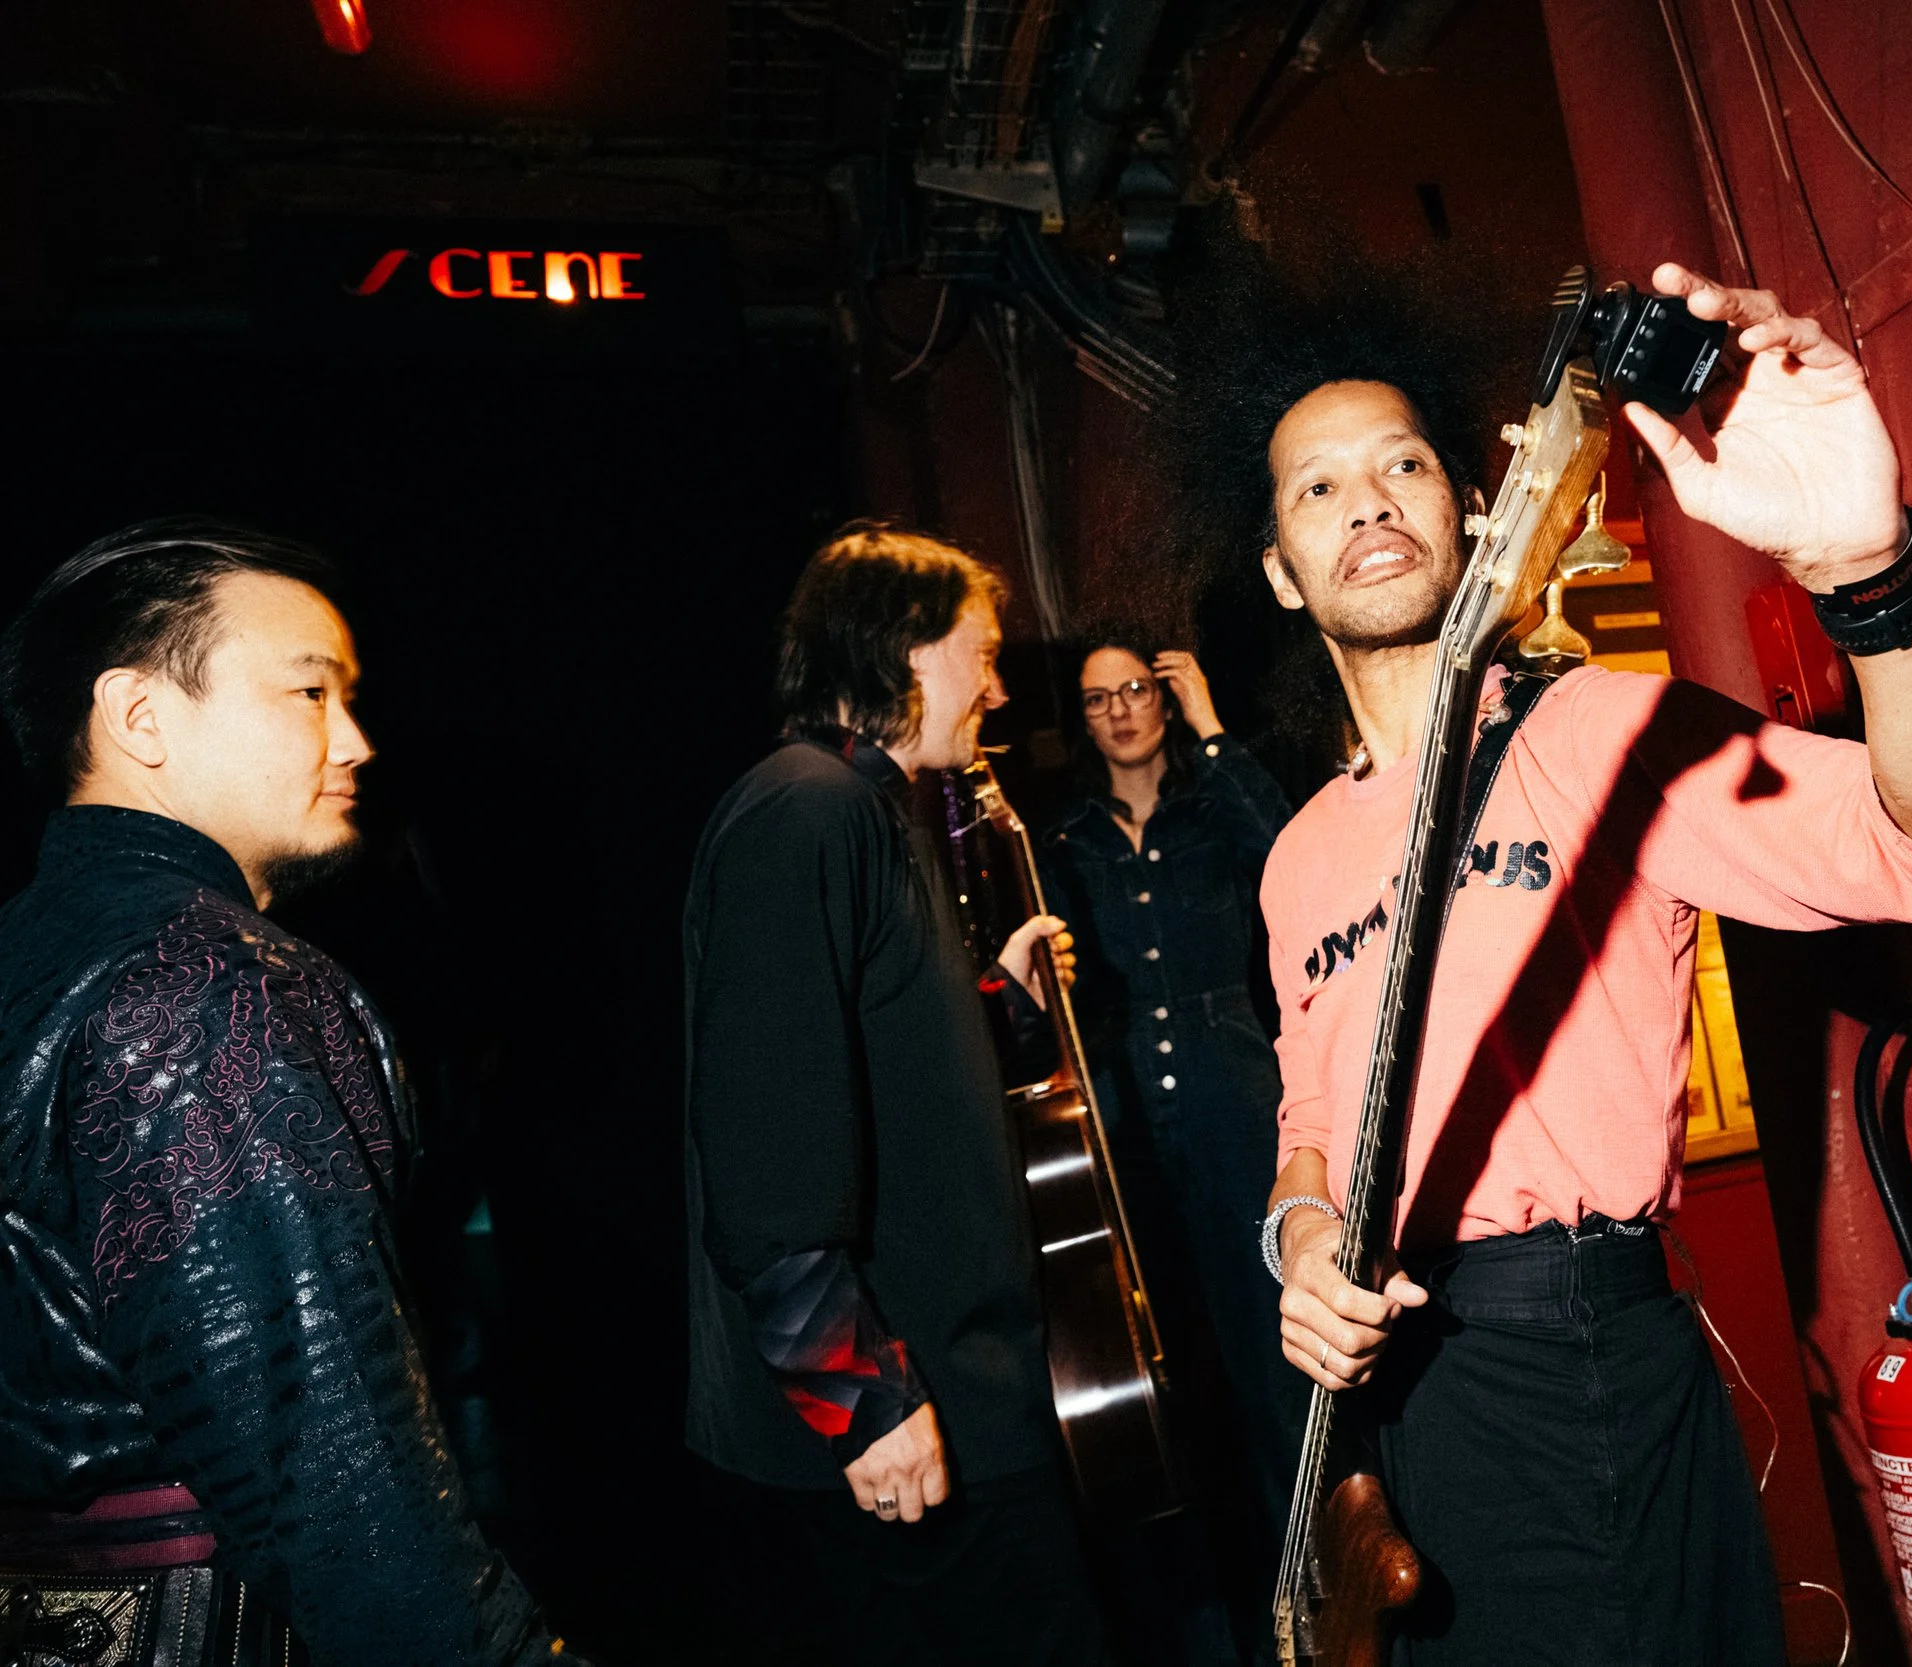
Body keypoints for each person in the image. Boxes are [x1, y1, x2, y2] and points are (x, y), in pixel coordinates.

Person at [1223, 263, 1912, 1661]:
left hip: (1573, 1354)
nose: (1367, 498)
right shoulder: (1295, 858)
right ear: (1284, 575)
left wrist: (1865, 573)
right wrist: (1296, 1241)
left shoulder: (1594, 733)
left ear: (1473, 510)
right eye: (1319, 486)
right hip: (1391, 1396)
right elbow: (1309, 1127)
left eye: (1402, 460)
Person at [0, 519, 566, 1664]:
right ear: (140, 717)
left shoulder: (30, 942)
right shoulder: (206, 986)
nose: (355, 739)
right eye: (309, 693)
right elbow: (331, 1471)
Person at [681, 524, 1105, 1666]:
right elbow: (765, 1146)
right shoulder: (803, 810)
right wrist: (856, 1396)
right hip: (904, 1414)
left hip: (962, 1396)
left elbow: (883, 1059)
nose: (1000, 686)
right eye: (986, 652)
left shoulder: (869, 809)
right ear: (908, 650)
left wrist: (1000, 1004)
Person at [1037, 625, 1303, 1527]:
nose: (1120, 712)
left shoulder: (1212, 802)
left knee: (1267, 1338)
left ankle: (1313, 1552)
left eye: (1137, 689)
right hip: (1125, 1108)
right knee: (1166, 1349)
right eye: (1099, 699)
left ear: (1166, 694)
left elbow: (1289, 858)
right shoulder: (1063, 836)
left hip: (1233, 1088)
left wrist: (1214, 727)